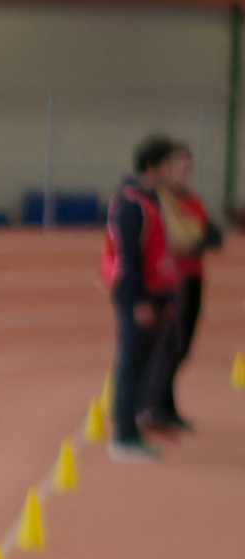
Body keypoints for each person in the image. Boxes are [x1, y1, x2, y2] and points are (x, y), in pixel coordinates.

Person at [101, 135, 189, 460]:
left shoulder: (150, 198)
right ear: (152, 166)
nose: (173, 171)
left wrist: (167, 296)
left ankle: (133, 428)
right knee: (130, 363)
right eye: (168, 165)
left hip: (155, 292)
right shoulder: (130, 202)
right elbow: (130, 256)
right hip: (136, 294)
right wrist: (138, 301)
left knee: (144, 363)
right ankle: (123, 436)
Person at [153, 141, 219, 432]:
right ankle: (157, 404)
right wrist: (196, 237)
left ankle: (165, 404)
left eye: (187, 167)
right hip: (175, 280)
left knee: (184, 346)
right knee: (171, 344)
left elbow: (210, 234)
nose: (183, 171)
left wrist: (197, 238)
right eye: (178, 165)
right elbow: (182, 239)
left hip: (194, 277)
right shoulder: (165, 200)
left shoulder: (191, 199)